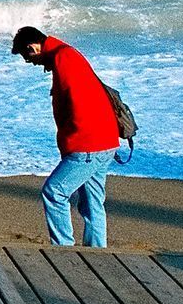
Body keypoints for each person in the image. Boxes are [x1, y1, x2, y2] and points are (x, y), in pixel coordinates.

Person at [12, 26, 118, 247]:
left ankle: (63, 250)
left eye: (28, 57)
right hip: (104, 141)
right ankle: (98, 252)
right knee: (92, 203)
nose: (31, 63)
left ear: (33, 47)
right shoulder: (67, 54)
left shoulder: (64, 58)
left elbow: (78, 104)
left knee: (54, 192)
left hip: (88, 145)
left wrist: (73, 146)